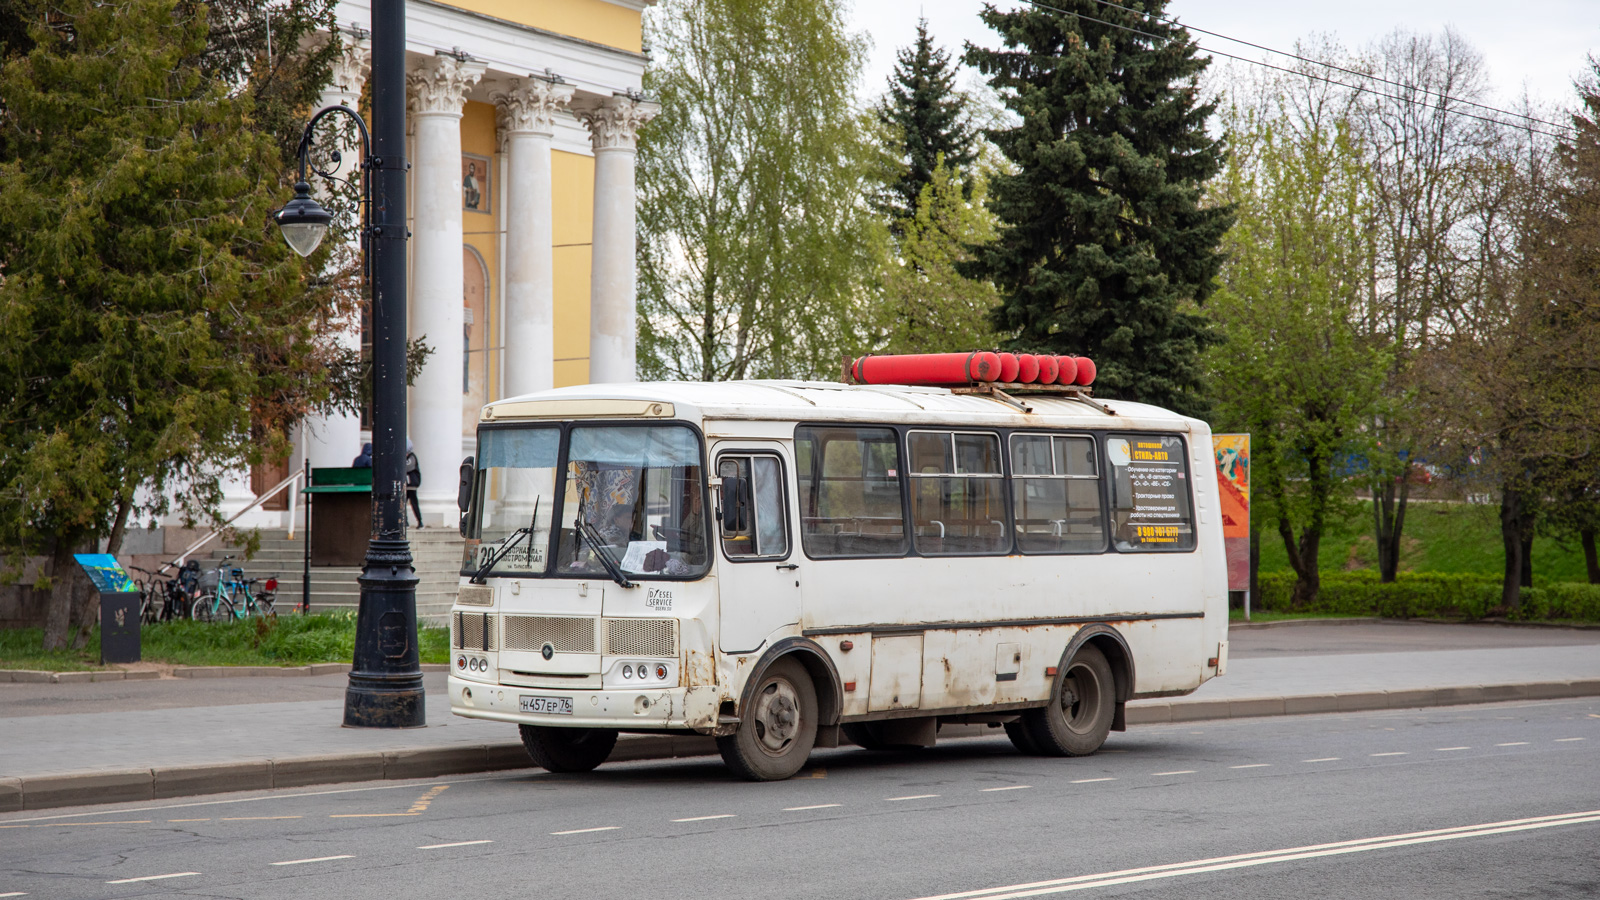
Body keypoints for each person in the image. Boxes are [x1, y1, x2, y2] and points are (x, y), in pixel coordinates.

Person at [405, 439, 424, 528]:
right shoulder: (406, 458)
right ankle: (405, 521)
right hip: (405, 486)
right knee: (402, 504)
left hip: (411, 485)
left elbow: (408, 467)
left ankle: (420, 522)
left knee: (414, 503)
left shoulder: (412, 457)